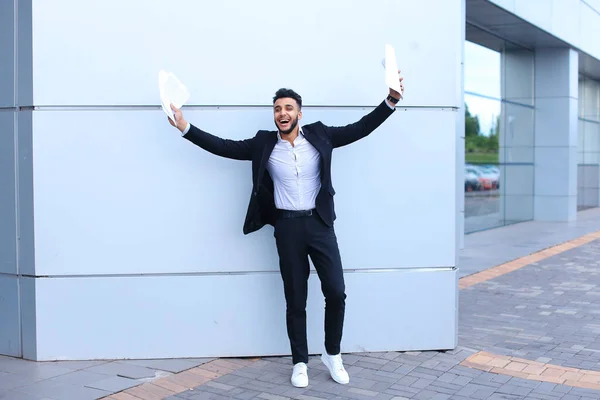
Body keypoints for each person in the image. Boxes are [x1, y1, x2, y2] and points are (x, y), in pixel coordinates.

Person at [168, 72, 404, 388]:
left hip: (320, 225)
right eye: (278, 108)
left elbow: (360, 128)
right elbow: (223, 146)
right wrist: (185, 127)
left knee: (336, 291)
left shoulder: (321, 135)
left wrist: (390, 101)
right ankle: (300, 362)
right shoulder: (264, 143)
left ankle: (332, 354)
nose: (283, 113)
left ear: (299, 113)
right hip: (288, 228)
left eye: (288, 108)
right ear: (275, 114)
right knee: (296, 298)